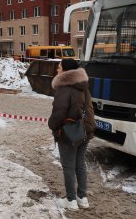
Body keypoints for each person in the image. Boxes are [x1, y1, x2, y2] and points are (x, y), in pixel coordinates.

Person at [48, 58, 95, 211]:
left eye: (59, 67)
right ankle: (82, 198)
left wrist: (52, 125)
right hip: (85, 130)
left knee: (68, 166)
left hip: (69, 132)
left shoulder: (64, 88)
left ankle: (71, 201)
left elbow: (59, 113)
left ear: (66, 71)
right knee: (80, 164)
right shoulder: (83, 86)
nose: (57, 69)